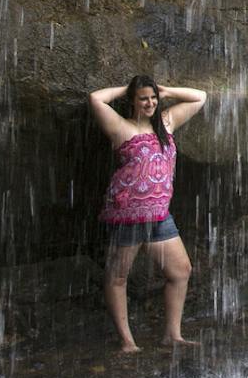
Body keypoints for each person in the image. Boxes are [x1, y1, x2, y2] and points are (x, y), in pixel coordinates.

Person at [88, 75, 207, 352]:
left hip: (159, 215)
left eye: (153, 98)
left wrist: (166, 90)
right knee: (118, 277)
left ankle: (172, 335)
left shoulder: (166, 123)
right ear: (132, 101)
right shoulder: (120, 127)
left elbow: (200, 96)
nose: (150, 103)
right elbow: (96, 98)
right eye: (143, 98)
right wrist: (128, 88)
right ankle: (128, 342)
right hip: (128, 214)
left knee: (180, 271)